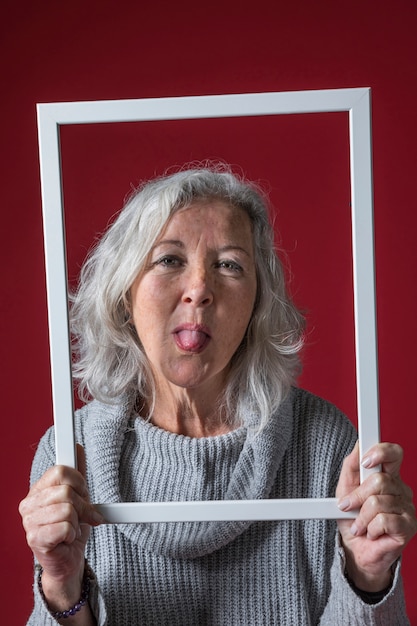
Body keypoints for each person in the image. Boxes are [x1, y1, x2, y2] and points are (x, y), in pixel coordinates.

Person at [20, 164, 416, 625]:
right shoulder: (70, 451)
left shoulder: (326, 445)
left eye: (229, 265)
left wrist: (367, 574)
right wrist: (61, 582)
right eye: (169, 260)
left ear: (257, 303)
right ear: (124, 292)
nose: (200, 290)